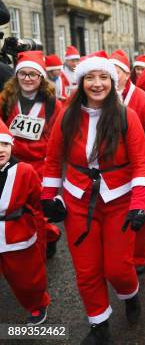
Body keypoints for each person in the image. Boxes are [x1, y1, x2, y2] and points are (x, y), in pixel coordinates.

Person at [41, 51, 145, 344]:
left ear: (113, 82)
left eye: (103, 77)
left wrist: (139, 203)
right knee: (87, 269)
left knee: (118, 268)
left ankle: (131, 294)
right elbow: (53, 160)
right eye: (90, 77)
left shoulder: (128, 116)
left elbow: (142, 162)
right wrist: (48, 196)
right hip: (78, 200)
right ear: (81, 82)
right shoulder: (67, 114)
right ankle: (99, 323)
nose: (97, 83)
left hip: (119, 201)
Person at [0, 51, 62, 259]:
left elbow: (58, 135)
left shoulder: (53, 103)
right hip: (12, 164)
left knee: (39, 209)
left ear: (41, 78)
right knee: (15, 208)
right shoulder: (5, 99)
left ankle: (48, 238)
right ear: (16, 76)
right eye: (23, 74)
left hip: (40, 165)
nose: (27, 79)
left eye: (32, 75)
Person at [0, 119, 51, 325]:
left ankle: (38, 304)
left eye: (4, 144)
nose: (0, 150)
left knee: (27, 279)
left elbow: (38, 207)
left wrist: (42, 239)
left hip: (18, 234)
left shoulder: (25, 171)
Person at [110, 50, 145, 271]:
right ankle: (119, 255)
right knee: (115, 214)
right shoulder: (100, 98)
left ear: (127, 75)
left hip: (140, 166)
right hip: (111, 169)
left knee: (141, 212)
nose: (110, 76)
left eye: (115, 72)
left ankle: (138, 258)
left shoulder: (143, 99)